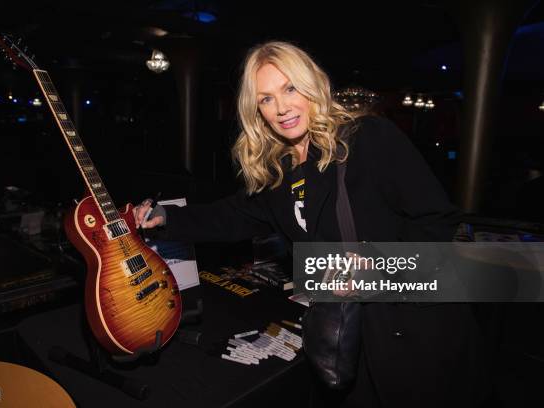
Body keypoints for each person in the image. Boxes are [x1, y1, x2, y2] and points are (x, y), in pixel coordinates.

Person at [133, 41, 492, 407]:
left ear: (312, 86)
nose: (281, 108)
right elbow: (232, 216)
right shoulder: (280, 169)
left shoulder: (367, 138)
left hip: (412, 327)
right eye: (266, 99)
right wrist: (165, 216)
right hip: (349, 330)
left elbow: (437, 220)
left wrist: (380, 262)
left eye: (289, 89)